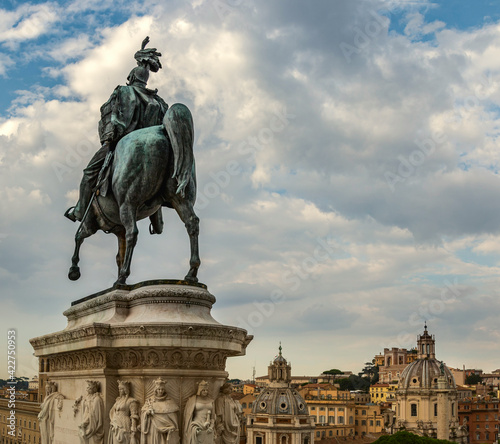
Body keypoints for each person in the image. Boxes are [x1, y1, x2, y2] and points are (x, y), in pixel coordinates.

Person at [65, 36, 168, 223]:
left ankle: (80, 210)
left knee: (89, 173)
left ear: (131, 77)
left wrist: (109, 137)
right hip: (156, 147)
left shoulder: (122, 91)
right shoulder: (159, 102)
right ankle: (157, 217)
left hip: (123, 140)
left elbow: (110, 115)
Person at [141, 377, 180, 444]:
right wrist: (147, 413)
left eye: (162, 389)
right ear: (155, 390)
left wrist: (171, 425)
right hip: (153, 428)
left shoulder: (170, 401)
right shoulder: (150, 401)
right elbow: (143, 412)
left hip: (166, 429)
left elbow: (174, 417)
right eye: (159, 389)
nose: (160, 391)